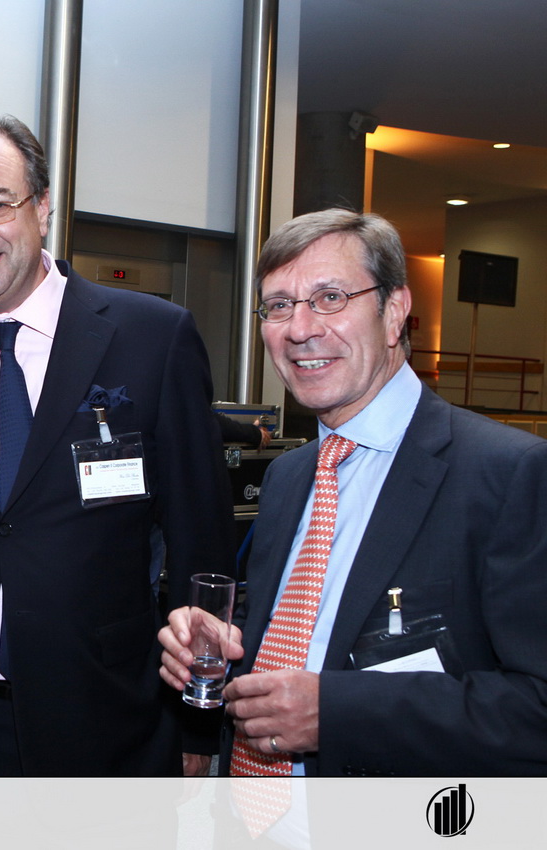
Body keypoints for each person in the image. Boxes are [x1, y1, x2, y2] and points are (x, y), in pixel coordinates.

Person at [0, 115, 234, 776]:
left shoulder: (153, 337)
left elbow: (201, 540)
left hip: (109, 720)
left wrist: (196, 724)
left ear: (42, 206)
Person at [160, 209, 547, 783]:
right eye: (279, 305)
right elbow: (303, 624)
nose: (300, 329)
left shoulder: (509, 474)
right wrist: (224, 641)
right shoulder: (290, 476)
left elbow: (536, 708)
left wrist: (336, 714)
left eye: (330, 298)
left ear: (394, 312)